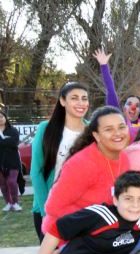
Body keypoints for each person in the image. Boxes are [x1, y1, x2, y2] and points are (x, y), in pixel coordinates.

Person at [41, 106, 131, 236]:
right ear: (96, 135)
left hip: (106, 232)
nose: (117, 133)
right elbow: (53, 207)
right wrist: (97, 220)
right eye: (109, 129)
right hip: (68, 235)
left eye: (121, 127)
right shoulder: (82, 163)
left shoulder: (125, 158)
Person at [30, 82, 89, 240]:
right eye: (74, 98)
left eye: (84, 98)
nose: (81, 103)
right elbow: (36, 172)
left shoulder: (92, 132)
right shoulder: (46, 128)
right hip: (49, 209)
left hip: (82, 211)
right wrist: (46, 212)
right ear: (63, 101)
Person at [0, 110, 22, 211]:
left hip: (13, 162)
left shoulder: (13, 130)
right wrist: (6, 141)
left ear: (5, 117)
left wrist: (2, 142)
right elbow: (10, 143)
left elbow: (14, 143)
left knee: (11, 182)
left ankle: (15, 203)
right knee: (3, 184)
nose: (0, 119)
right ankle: (8, 203)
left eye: (1, 116)